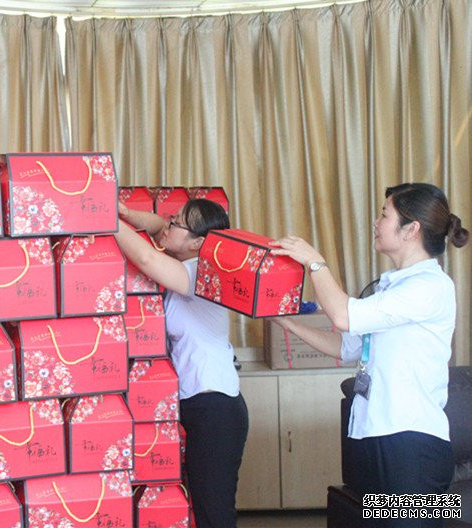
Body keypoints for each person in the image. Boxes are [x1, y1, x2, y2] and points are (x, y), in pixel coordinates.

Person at [270, 182, 469, 527]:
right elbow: (346, 346)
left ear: (411, 229)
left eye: (384, 215)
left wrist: (315, 262)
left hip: (412, 446)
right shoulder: (390, 287)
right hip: (374, 436)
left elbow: (343, 315)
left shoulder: (431, 286)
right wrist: (287, 324)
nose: (376, 223)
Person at [115, 198, 248, 527]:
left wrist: (102, 216)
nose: (168, 224)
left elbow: (145, 258)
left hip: (215, 406)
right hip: (201, 403)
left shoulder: (202, 272)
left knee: (213, 511)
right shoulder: (184, 260)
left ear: (197, 243)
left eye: (177, 222)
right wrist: (127, 214)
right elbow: (158, 225)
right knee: (204, 506)